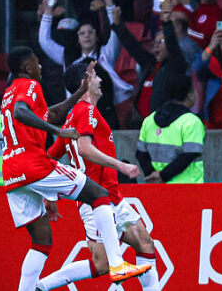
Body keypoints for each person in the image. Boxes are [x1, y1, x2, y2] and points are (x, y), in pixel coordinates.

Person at [1, 48, 150, 288]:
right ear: (28, 66)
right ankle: (118, 264)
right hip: (33, 164)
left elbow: (50, 115)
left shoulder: (9, 92)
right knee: (98, 195)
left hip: (12, 172)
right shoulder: (30, 86)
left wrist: (78, 93)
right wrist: (58, 131)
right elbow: (23, 113)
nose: (41, 68)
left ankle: (32, 288)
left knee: (42, 241)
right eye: (38, 63)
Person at [36, 62, 160, 291]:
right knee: (101, 264)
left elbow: (47, 159)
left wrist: (49, 193)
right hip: (97, 202)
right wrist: (120, 166)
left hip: (112, 197)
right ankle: (42, 286)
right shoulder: (86, 110)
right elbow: (83, 148)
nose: (101, 80)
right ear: (85, 82)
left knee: (145, 242)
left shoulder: (72, 118)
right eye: (95, 76)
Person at [38, 0, 129, 129]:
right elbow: (44, 40)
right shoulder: (68, 58)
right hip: (75, 115)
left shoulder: (106, 54)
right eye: (82, 33)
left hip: (104, 115)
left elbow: (114, 34)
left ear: (97, 36)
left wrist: (109, 4)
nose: (87, 36)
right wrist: (49, 9)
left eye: (91, 32)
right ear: (78, 39)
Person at [137, 76, 205, 183]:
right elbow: (189, 155)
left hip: (156, 187)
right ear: (189, 95)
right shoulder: (192, 121)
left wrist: (153, 176)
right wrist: (163, 176)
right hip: (189, 188)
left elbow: (140, 153)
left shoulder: (149, 120)